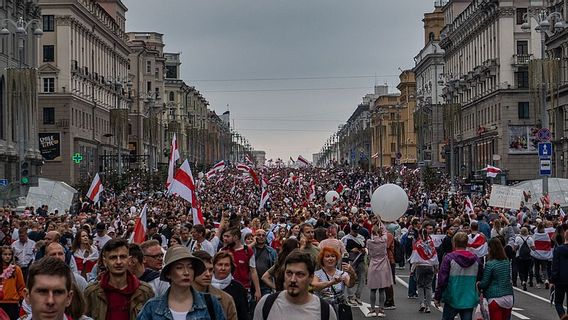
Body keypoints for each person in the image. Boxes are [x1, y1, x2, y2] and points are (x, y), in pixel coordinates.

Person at [137, 246, 226, 320]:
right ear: (168, 273)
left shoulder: (210, 302)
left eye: (190, 267)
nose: (186, 272)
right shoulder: (152, 307)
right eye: (179, 267)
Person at [253, 250, 336, 320]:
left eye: (300, 274)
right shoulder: (266, 304)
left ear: (311, 278)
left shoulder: (324, 311)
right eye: (289, 273)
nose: (293, 279)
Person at [84, 238, 154, 320]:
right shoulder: (92, 293)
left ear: (129, 260)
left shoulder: (145, 292)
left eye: (123, 257)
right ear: (105, 262)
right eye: (113, 257)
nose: (118, 262)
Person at [434, 232, 483, 320]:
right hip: (469, 297)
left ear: (454, 243)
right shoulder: (476, 259)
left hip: (452, 296)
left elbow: (442, 280)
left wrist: (438, 296)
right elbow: (480, 278)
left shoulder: (449, 258)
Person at [192, 250, 238, 320]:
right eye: (202, 269)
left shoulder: (226, 299)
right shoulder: (176, 297)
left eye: (210, 270)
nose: (208, 274)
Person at [311, 246, 355, 319]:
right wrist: (332, 282)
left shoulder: (341, 273)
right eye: (327, 256)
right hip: (322, 308)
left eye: (333, 256)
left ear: (336, 259)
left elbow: (350, 284)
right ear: (322, 259)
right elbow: (313, 286)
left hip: (339, 308)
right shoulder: (317, 274)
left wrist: (353, 274)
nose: (330, 259)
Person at [221, 227, 262, 302]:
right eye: (224, 236)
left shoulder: (248, 251)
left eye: (228, 236)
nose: (225, 239)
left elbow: (253, 271)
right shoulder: (223, 251)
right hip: (226, 288)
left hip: (244, 288)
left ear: (236, 237)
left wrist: (257, 290)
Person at [478, 238, 514, 320]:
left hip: (495, 297)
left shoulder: (490, 264)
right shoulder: (506, 261)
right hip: (509, 296)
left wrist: (478, 284)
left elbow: (485, 283)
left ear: (490, 249)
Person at [212, 251, 250, 320]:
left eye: (226, 265)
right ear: (213, 266)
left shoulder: (239, 288)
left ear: (231, 267)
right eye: (220, 264)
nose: (223, 268)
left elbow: (244, 314)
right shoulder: (206, 286)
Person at [366, 225, 394, 317]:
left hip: (373, 264)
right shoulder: (384, 241)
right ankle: (381, 310)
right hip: (383, 265)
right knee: (382, 289)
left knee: (373, 290)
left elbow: (369, 253)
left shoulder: (369, 242)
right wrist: (381, 222)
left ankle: (373, 309)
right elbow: (385, 232)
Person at [409, 227, 438, 314]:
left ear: (420, 235)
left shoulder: (418, 244)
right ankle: (428, 306)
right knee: (428, 286)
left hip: (420, 266)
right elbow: (435, 255)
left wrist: (412, 269)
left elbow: (415, 258)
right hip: (429, 266)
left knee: (420, 285)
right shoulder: (431, 243)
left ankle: (422, 303)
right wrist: (436, 267)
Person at [341, 222, 365, 306]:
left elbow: (364, 246)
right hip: (351, 260)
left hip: (360, 259)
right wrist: (351, 250)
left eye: (357, 231)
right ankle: (351, 296)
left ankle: (358, 295)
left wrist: (363, 250)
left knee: (362, 278)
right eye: (355, 231)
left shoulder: (361, 237)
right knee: (349, 277)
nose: (356, 233)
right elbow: (343, 251)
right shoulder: (345, 238)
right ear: (351, 230)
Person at [0, 246, 25, 319]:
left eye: (9, 254)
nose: (7, 256)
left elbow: (21, 286)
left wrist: (21, 300)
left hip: (12, 303)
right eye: (5, 254)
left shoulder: (16, 269)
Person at [551, 229, 568, 318]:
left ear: (565, 236)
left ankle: (562, 315)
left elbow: (555, 266)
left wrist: (552, 280)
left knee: (558, 302)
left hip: (560, 278)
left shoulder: (558, 249)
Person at [515, 227, 535, 291]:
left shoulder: (518, 238)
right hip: (528, 257)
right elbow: (533, 248)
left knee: (521, 270)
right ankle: (525, 281)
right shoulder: (530, 239)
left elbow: (515, 248)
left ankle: (522, 281)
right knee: (526, 270)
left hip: (520, 256)